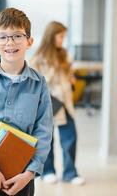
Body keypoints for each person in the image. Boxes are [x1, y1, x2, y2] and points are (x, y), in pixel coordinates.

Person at [0, 8, 53, 196]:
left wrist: (29, 173)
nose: (10, 42)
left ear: (29, 41)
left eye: (17, 36)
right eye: (3, 37)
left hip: (21, 181)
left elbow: (44, 131)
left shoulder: (39, 84)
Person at [31, 21, 85, 186]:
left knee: (70, 138)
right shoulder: (38, 59)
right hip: (49, 104)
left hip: (65, 104)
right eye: (60, 36)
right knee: (47, 139)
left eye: (64, 36)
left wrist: (70, 76)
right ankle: (48, 171)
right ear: (51, 36)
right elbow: (37, 82)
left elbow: (68, 75)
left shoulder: (64, 55)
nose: (63, 40)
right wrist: (55, 67)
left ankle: (70, 173)